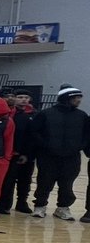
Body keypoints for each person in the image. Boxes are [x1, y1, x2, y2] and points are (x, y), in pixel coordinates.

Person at [30, 86, 87, 220]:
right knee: (44, 182)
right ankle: (40, 206)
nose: (78, 100)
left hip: (71, 157)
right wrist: (45, 146)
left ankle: (63, 208)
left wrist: (79, 146)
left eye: (79, 97)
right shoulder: (46, 114)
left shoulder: (82, 116)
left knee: (67, 184)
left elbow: (87, 135)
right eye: (75, 97)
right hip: (48, 156)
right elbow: (34, 132)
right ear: (66, 98)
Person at [0, 89, 37, 214]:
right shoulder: (9, 114)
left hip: (27, 154)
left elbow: (33, 136)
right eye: (20, 97)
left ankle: (22, 202)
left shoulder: (35, 114)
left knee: (25, 180)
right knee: (8, 180)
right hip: (9, 153)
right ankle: (4, 204)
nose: (23, 99)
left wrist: (27, 153)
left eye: (26, 97)